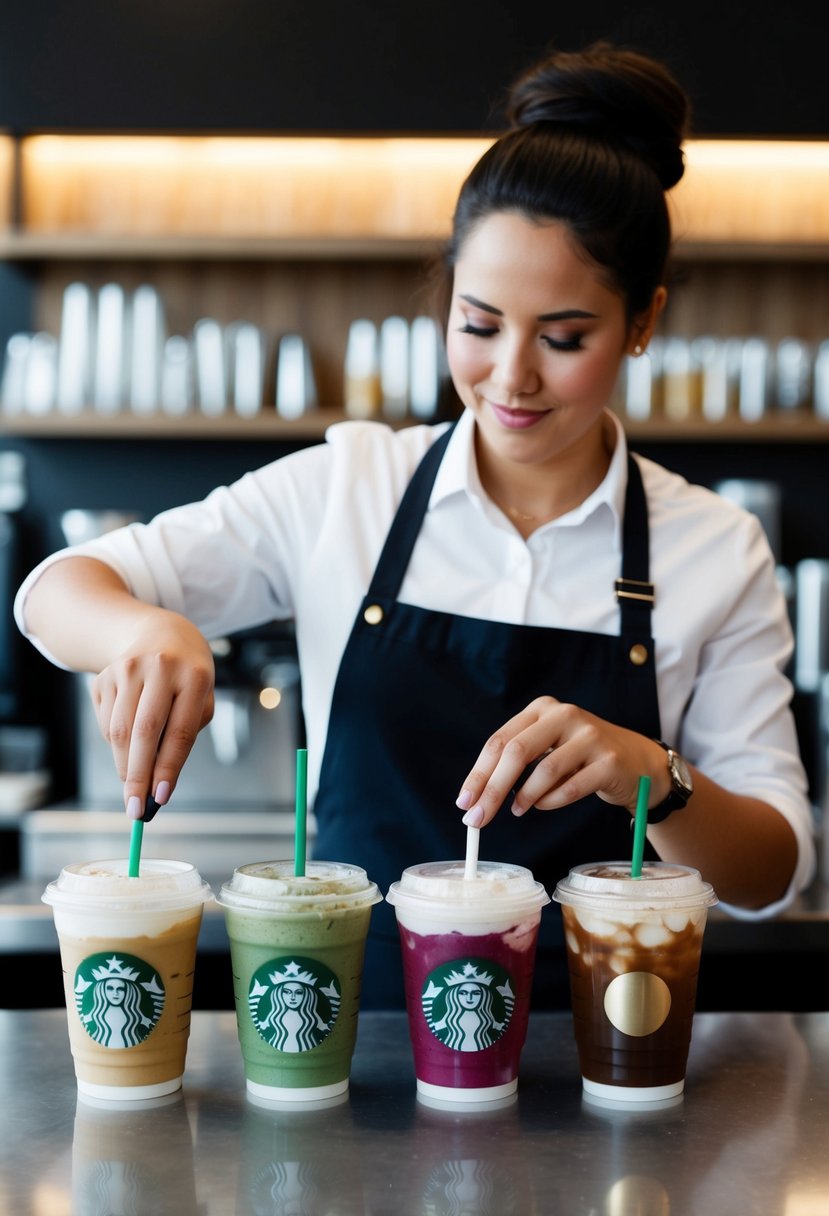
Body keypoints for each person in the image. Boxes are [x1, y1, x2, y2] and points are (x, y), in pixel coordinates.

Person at [14, 41, 815, 1009]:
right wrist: (141, 626)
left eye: (563, 338)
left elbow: (771, 875)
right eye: (477, 325)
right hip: (350, 1050)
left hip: (597, 1066)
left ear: (642, 322)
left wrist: (654, 775)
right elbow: (56, 589)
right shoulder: (347, 487)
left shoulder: (711, 546)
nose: (510, 377)